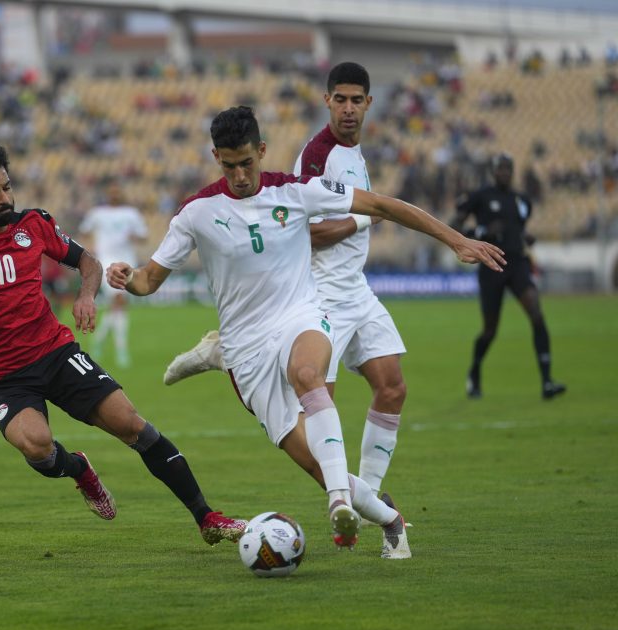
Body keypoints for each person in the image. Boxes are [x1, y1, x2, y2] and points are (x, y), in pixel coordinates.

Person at [106, 106, 505, 557]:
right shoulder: (196, 213)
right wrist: (127, 276)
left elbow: (382, 205)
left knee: (308, 374)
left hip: (300, 317)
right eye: (229, 165)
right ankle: (390, 520)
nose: (240, 175)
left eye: (247, 163)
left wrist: (456, 240)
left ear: (261, 150)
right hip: (247, 352)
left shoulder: (296, 192)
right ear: (216, 157)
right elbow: (149, 280)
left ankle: (338, 502)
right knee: (318, 464)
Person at [0, 141, 245, 546]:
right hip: (2, 377)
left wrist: (86, 295)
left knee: (132, 424)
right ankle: (79, 470)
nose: (4, 199)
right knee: (38, 448)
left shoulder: (33, 225)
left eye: (6, 187)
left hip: (55, 352)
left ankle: (207, 517)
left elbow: (88, 261)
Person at [165, 62, 410, 500]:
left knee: (391, 387)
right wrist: (362, 220)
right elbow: (308, 232)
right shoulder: (319, 156)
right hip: (320, 291)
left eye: (356, 100)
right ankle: (348, 500)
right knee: (313, 409)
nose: (348, 109)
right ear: (327, 101)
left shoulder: (353, 152)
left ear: (369, 103)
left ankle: (369, 495)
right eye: (341, 100)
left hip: (356, 287)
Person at [452, 152, 566, 400]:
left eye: (508, 168)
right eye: (500, 168)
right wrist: (482, 231)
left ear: (513, 172)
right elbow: (454, 225)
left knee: (537, 314)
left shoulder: (521, 200)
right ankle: (474, 373)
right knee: (490, 331)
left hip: (517, 264)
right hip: (490, 265)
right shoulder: (481, 196)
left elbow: (518, 228)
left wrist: (525, 237)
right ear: (492, 171)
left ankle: (547, 381)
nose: (504, 172)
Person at [78, 181, 148, 367]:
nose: (115, 195)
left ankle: (98, 342)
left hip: (127, 262)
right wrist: (90, 249)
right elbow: (84, 231)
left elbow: (144, 236)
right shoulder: (98, 213)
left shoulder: (131, 213)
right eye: (112, 192)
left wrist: (135, 237)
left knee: (117, 305)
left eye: (117, 192)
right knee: (119, 301)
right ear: (108, 194)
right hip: (106, 261)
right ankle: (121, 349)